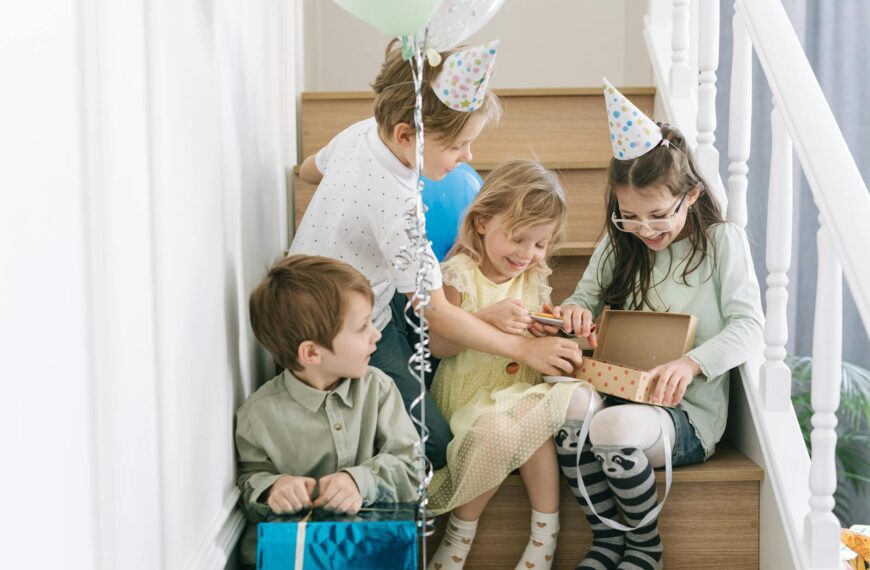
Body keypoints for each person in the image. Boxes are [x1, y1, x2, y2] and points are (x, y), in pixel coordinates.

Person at [291, 40, 582, 470]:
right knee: (439, 446)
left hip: (310, 289)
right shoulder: (400, 208)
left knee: (429, 317)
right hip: (347, 321)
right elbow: (438, 314)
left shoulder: (360, 132)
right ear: (406, 135)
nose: (469, 158)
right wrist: (525, 351)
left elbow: (308, 170)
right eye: (459, 146)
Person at [551, 80, 764, 570]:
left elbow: (750, 325)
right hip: (619, 385)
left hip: (684, 412)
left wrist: (691, 364)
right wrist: (575, 313)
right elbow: (582, 297)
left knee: (612, 424)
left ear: (689, 196)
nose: (645, 229)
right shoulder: (620, 241)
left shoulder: (721, 242)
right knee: (567, 404)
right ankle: (607, 540)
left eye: (657, 215)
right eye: (629, 216)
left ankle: (645, 548)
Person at [425, 161, 598, 570]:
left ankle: (545, 536)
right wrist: (486, 317)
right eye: (518, 239)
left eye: (540, 244)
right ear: (482, 222)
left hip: (519, 389)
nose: (527, 254)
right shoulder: (457, 274)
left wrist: (547, 329)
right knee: (502, 431)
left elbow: (534, 333)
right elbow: (437, 344)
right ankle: (458, 537)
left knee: (533, 419)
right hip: (469, 397)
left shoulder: (534, 274)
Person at [235, 255, 421, 566]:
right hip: (298, 555)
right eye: (362, 327)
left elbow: (412, 468)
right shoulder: (258, 415)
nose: (376, 335)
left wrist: (359, 481)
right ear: (311, 352)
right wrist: (273, 489)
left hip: (372, 550)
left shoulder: (379, 389)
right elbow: (249, 482)